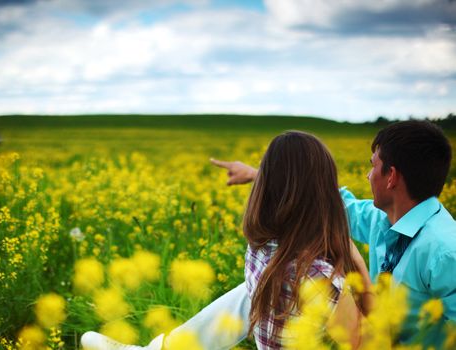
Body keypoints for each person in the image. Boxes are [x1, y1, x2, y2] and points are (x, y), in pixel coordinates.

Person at [82, 120, 456, 349]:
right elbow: (320, 194)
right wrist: (258, 173)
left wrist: (353, 268)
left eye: (372, 166)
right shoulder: (379, 217)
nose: (366, 175)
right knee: (269, 279)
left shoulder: (445, 250)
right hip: (369, 324)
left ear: (391, 176)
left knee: (280, 278)